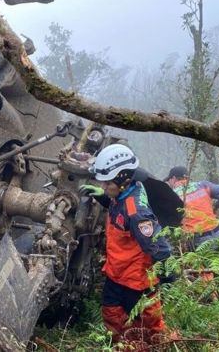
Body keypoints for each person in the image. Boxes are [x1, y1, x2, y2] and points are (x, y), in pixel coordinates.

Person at [79, 144, 172, 346]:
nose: (104, 187)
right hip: (117, 274)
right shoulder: (121, 193)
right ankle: (123, 346)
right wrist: (103, 197)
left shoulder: (137, 212)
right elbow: (118, 210)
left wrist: (168, 274)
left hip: (136, 282)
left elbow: (158, 246)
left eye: (106, 184)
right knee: (112, 316)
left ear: (123, 179)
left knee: (147, 328)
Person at [164, 166, 219, 250]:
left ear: (173, 178)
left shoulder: (171, 195)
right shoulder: (202, 185)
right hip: (218, 233)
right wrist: (216, 206)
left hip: (197, 240)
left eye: (169, 180)